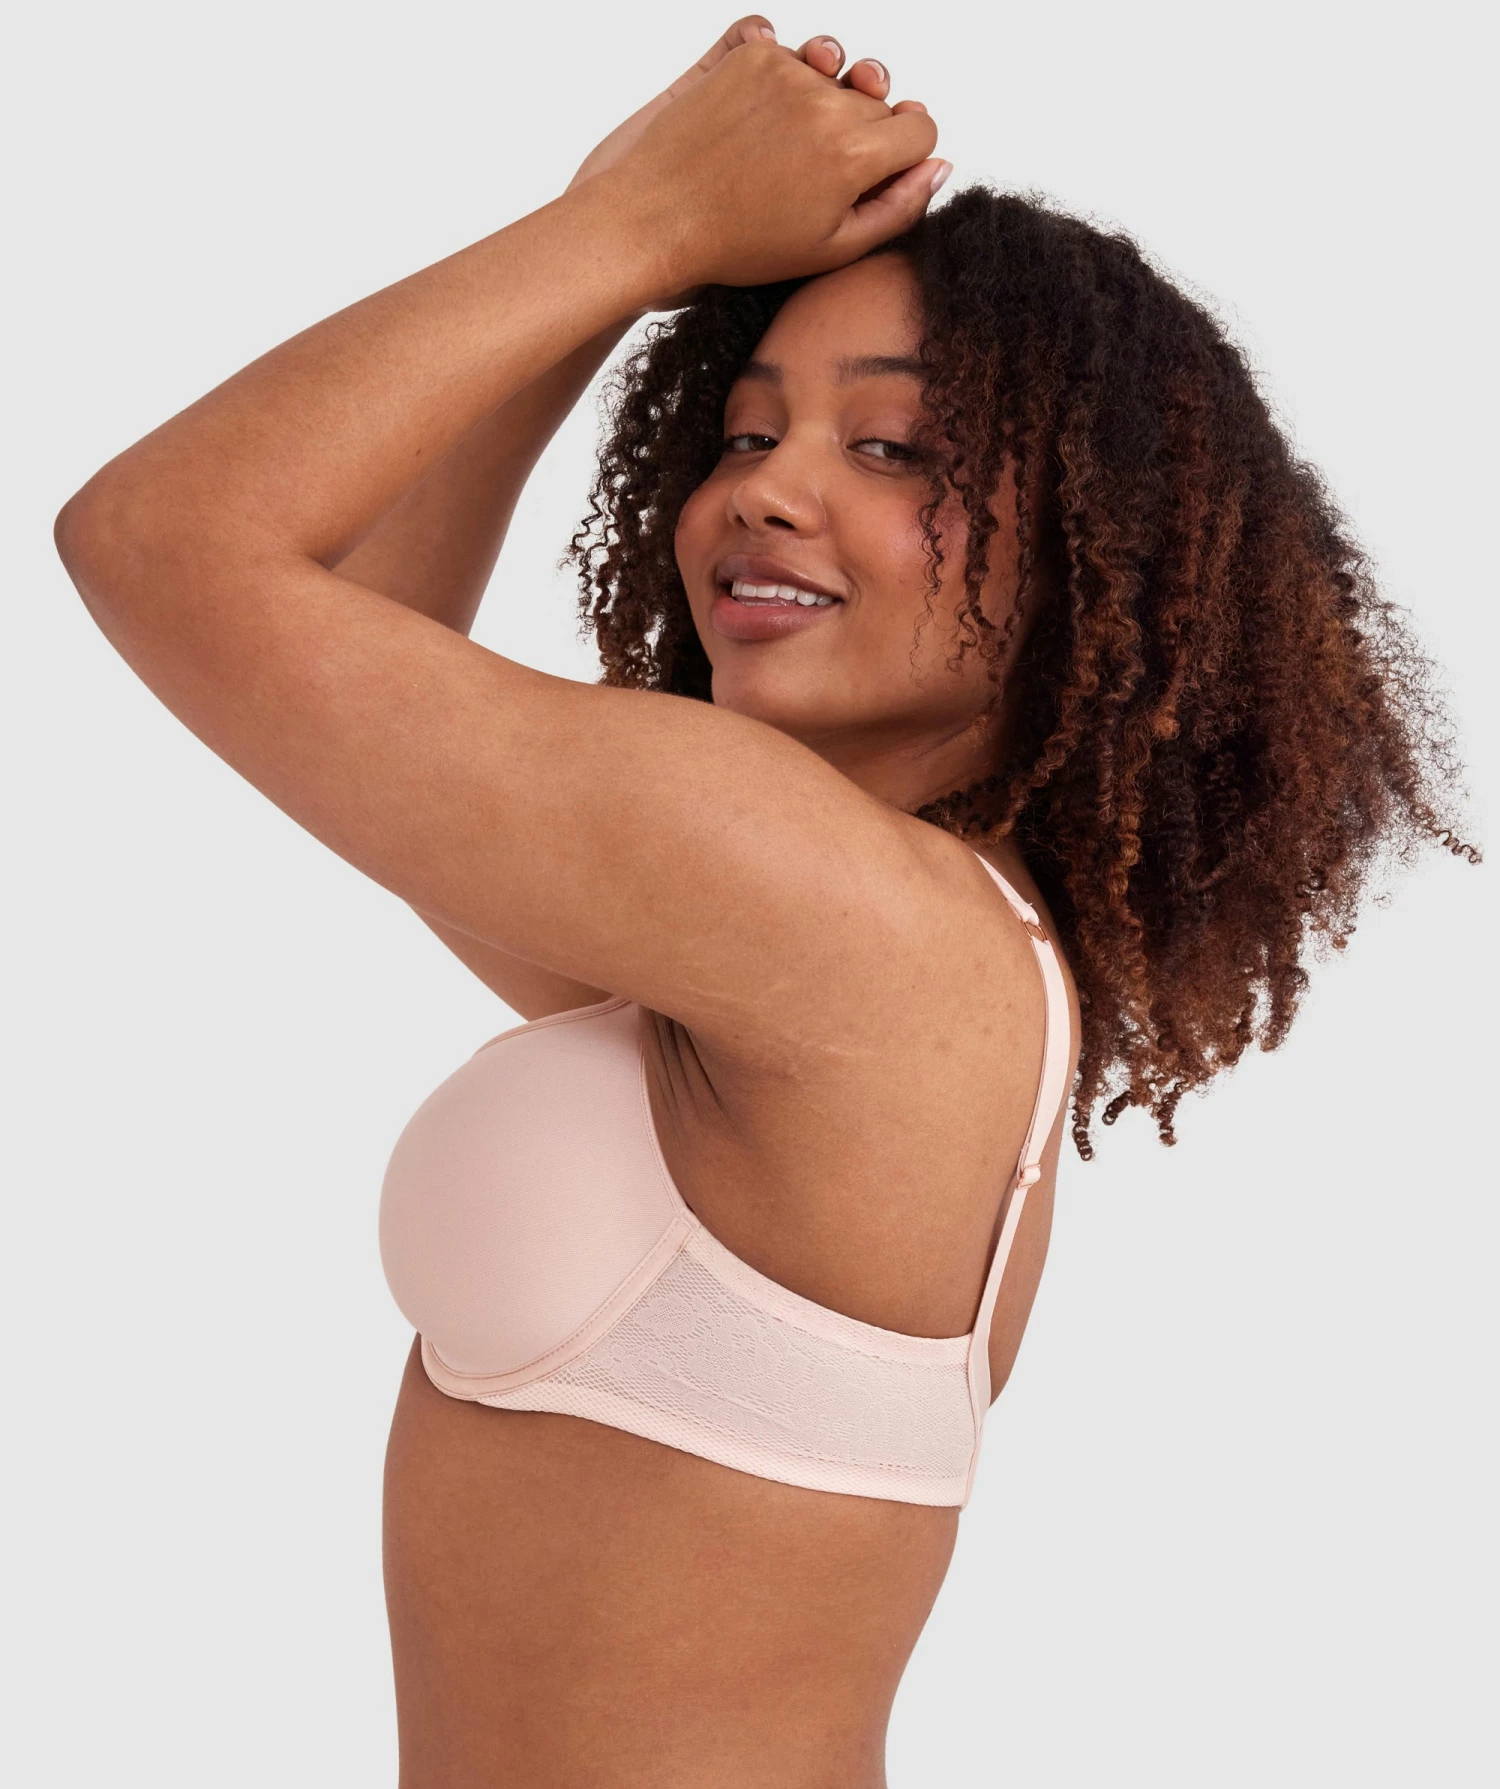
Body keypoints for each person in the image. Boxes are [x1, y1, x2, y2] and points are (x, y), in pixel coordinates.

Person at [53, 16, 1475, 1786]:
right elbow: (358, 655)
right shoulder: (868, 937)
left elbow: (159, 543)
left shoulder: (818, 903)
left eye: (896, 449)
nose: (764, 492)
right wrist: (618, 243)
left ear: (1095, 548)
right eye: (740, 429)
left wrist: (631, 228)